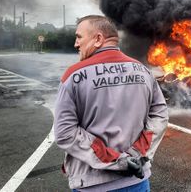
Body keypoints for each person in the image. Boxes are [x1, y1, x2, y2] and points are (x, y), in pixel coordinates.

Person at [54, 15, 168, 192]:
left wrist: (118, 161)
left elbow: (65, 133)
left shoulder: (73, 76)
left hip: (94, 185)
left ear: (98, 39)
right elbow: (160, 116)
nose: (76, 44)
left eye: (79, 37)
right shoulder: (143, 70)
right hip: (137, 181)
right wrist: (136, 154)